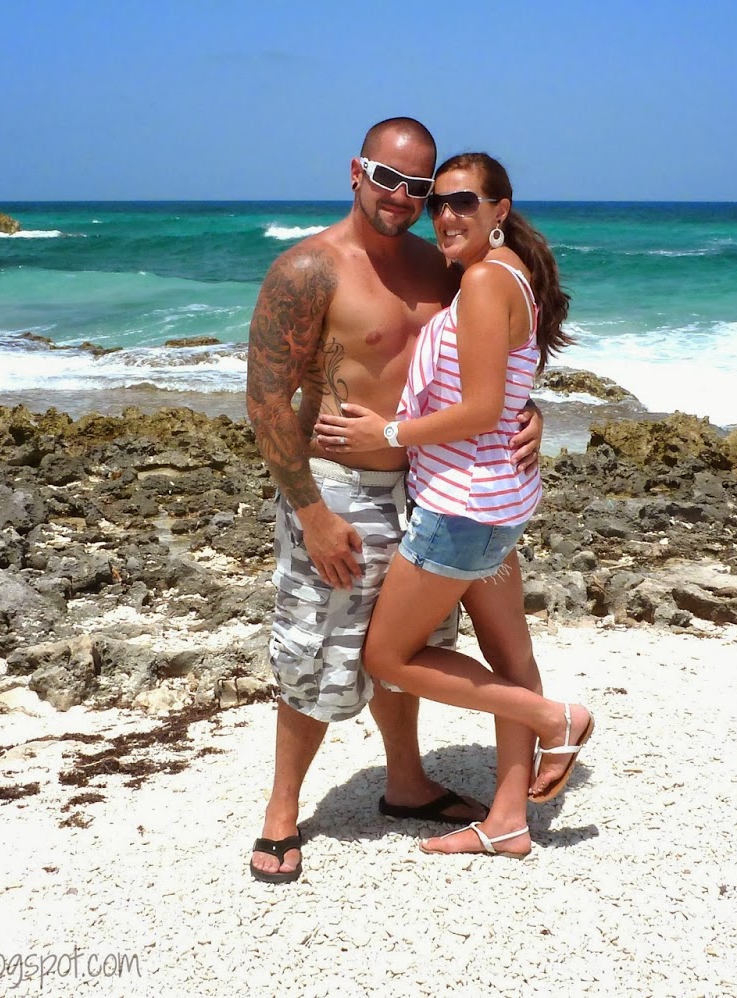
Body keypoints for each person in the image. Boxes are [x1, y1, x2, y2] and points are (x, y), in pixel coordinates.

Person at [244, 120, 543, 883]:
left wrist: (529, 413)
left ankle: (406, 782)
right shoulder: (308, 270)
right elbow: (266, 400)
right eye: (389, 179)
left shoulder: (443, 265)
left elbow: (495, 358)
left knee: (405, 645)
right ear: (356, 172)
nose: (405, 198)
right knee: (316, 647)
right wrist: (311, 514)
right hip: (340, 489)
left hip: (430, 483)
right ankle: (282, 811)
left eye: (421, 188)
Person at [314, 153, 592, 859]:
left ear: (501, 209)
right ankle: (508, 820)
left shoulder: (485, 281)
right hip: (498, 500)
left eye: (464, 201)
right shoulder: (504, 275)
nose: (446, 214)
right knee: (509, 654)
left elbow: (482, 408)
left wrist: (387, 434)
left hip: (461, 506)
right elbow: (507, 391)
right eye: (438, 202)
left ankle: (554, 719)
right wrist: (528, 414)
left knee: (388, 656)